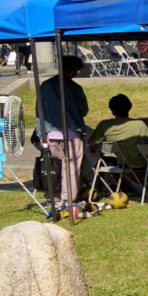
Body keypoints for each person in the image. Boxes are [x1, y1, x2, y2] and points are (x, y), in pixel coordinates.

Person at [36, 55, 89, 210]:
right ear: (74, 70)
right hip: (72, 132)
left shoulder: (45, 86)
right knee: (71, 168)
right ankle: (68, 199)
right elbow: (83, 110)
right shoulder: (75, 88)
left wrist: (41, 134)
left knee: (55, 167)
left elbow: (39, 111)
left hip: (50, 133)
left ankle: (55, 196)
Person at [88, 93, 148, 178]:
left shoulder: (105, 125)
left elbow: (91, 143)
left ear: (112, 111)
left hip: (120, 165)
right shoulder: (140, 124)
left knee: (98, 159)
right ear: (129, 108)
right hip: (141, 165)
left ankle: (100, 185)